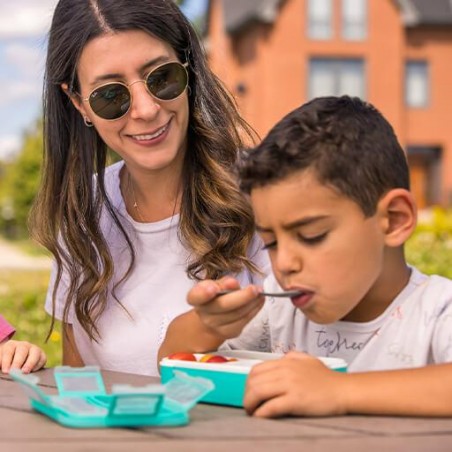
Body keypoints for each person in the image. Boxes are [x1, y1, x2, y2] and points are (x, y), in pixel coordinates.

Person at [160, 96, 452, 418]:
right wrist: (208, 324)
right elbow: (171, 361)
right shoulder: (280, 310)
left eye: (311, 236)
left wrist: (338, 391)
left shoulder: (437, 312)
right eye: (270, 242)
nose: (284, 263)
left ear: (394, 220)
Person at [29, 0, 269, 377]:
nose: (145, 109)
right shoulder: (81, 212)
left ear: (189, 66)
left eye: (162, 77)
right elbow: (76, 384)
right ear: (78, 103)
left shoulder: (267, 192)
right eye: (110, 96)